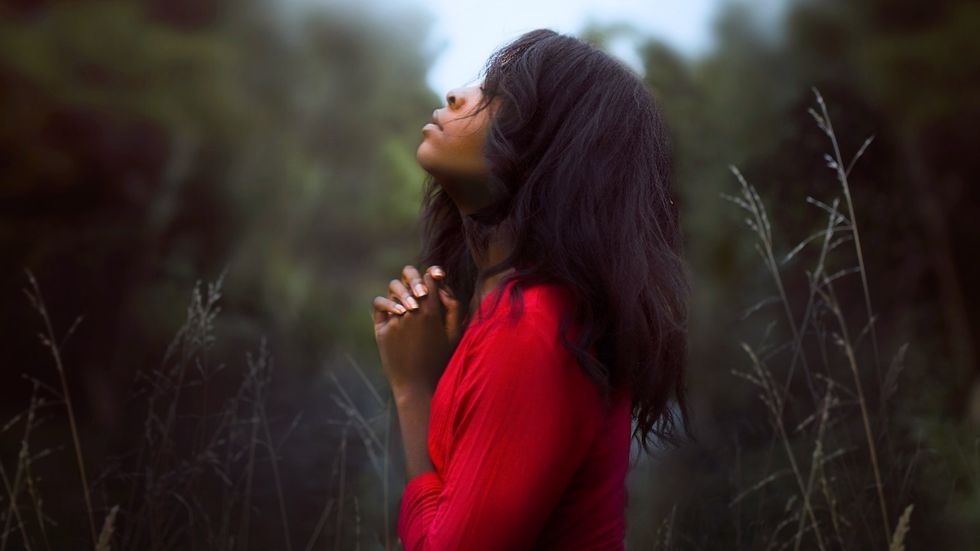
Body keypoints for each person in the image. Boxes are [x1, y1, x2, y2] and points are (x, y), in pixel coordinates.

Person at [371, 28, 692, 550]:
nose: (458, 95)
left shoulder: (537, 331)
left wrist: (413, 390)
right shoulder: (520, 314)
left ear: (555, 152)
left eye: (500, 98)